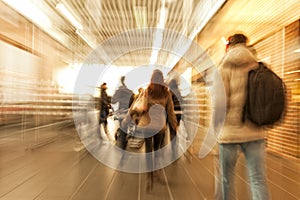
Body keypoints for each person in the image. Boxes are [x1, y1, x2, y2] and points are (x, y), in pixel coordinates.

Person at [217, 33, 269, 200]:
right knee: (258, 179)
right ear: (246, 44)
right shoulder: (259, 66)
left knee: (227, 179)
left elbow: (219, 104)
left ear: (229, 46)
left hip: (229, 134)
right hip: (255, 131)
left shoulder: (224, 67)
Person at [126, 69, 178, 192]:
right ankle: (154, 171)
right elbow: (170, 112)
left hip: (147, 126)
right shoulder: (166, 93)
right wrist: (174, 125)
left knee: (148, 150)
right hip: (160, 127)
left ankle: (149, 175)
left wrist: (128, 118)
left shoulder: (147, 91)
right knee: (157, 150)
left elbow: (139, 107)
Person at [111, 76, 134, 149]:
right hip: (128, 113)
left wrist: (119, 99)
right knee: (126, 128)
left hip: (121, 113)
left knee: (122, 128)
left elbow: (113, 101)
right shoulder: (131, 92)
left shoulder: (119, 91)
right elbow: (133, 103)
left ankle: (121, 145)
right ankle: (123, 142)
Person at [167, 78, 183, 159]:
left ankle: (174, 152)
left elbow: (169, 105)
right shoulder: (179, 92)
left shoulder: (170, 92)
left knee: (172, 133)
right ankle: (175, 151)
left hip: (172, 115)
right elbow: (182, 103)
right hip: (179, 114)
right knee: (175, 132)